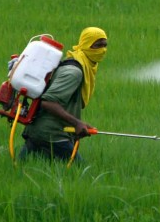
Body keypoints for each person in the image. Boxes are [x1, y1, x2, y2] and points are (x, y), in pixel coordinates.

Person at [19, 27, 108, 163]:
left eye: (104, 45)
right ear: (85, 45)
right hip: (52, 134)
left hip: (39, 131)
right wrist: (76, 123)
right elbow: (48, 102)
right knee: (82, 174)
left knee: (24, 169)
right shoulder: (73, 72)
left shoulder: (79, 65)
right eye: (97, 45)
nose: (102, 50)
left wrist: (78, 125)